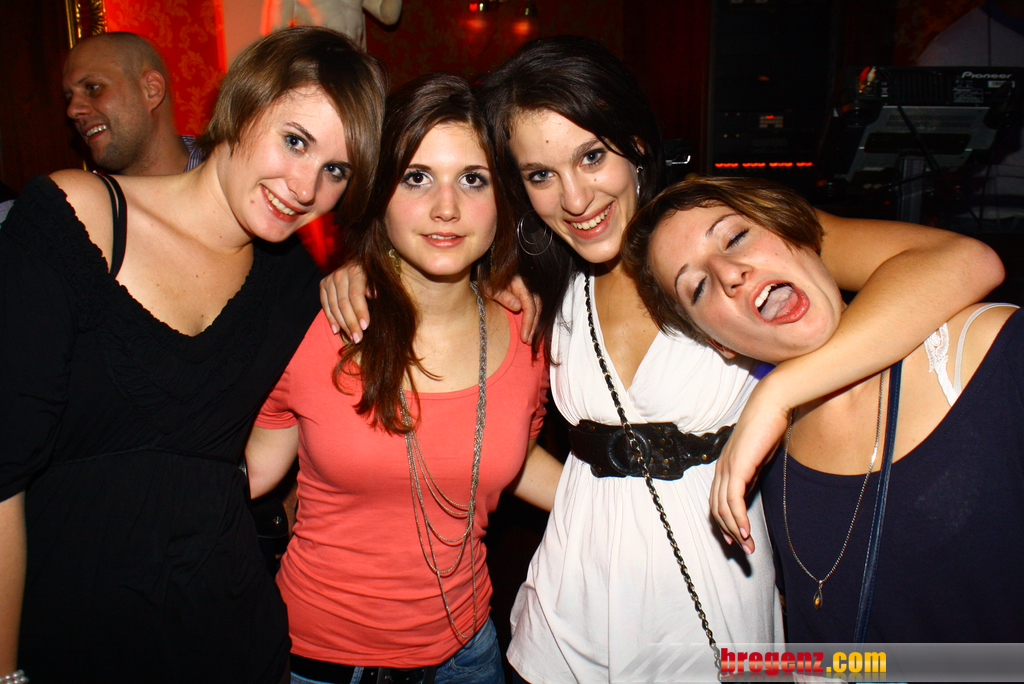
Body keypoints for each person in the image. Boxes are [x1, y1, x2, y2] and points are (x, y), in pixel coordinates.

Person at [321, 36, 1003, 683]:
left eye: (593, 157)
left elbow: (958, 260)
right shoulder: (536, 275)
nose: (576, 199)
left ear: (637, 143)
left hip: (713, 602)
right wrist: (365, 267)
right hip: (570, 614)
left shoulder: (725, 231)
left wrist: (782, 391)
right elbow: (434, 270)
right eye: (541, 175)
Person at [0, 26, 387, 683]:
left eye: (336, 170)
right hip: (68, 631)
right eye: (296, 141)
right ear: (241, 105)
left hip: (230, 636)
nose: (305, 186)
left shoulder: (295, 286)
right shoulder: (80, 219)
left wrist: (387, 274)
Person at [246, 72, 560, 684]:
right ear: (379, 192)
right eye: (417, 177)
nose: (447, 208)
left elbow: (509, 459)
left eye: (473, 179)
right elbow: (252, 471)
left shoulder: (529, 332)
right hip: (323, 661)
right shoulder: (313, 329)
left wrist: (648, 508)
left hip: (469, 654)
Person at [623, 175, 1021, 643]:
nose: (729, 273)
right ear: (719, 344)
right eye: (698, 287)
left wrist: (776, 393)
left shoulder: (986, 351)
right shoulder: (761, 456)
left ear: (803, 237)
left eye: (735, 237)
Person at [63, 31, 203, 176]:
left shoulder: (218, 173)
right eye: (69, 98)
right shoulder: (83, 190)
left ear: (151, 89)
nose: (72, 110)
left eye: (92, 87)